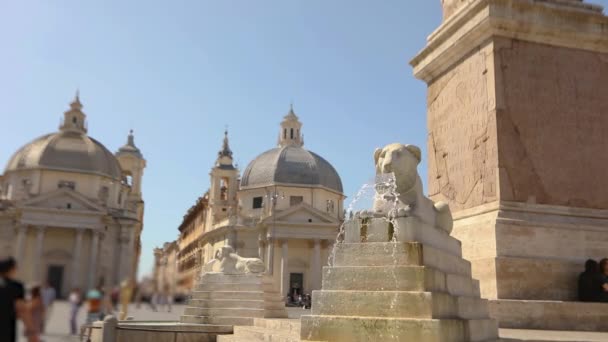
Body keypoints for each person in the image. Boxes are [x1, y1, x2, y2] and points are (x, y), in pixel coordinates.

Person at [0, 257, 34, 342]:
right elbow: (22, 310)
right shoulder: (16, 286)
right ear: (12, 269)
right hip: (5, 331)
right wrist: (31, 332)